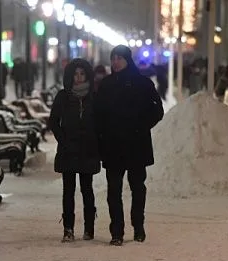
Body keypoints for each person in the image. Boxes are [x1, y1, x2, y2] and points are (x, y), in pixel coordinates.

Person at [95, 45, 164, 246]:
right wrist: (102, 135)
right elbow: (98, 113)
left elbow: (156, 110)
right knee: (113, 190)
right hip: (113, 144)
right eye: (113, 58)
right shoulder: (106, 85)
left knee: (137, 188)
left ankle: (138, 226)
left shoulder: (142, 83)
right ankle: (116, 231)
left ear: (127, 60)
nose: (115, 62)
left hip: (136, 143)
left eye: (120, 58)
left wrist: (141, 126)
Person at [49, 58, 101, 243]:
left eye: (82, 74)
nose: (79, 78)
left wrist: (96, 142)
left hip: (88, 150)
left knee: (87, 190)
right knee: (68, 191)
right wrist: (63, 140)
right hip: (68, 150)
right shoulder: (63, 96)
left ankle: (89, 228)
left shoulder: (93, 97)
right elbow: (53, 121)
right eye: (76, 74)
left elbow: (100, 123)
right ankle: (68, 229)